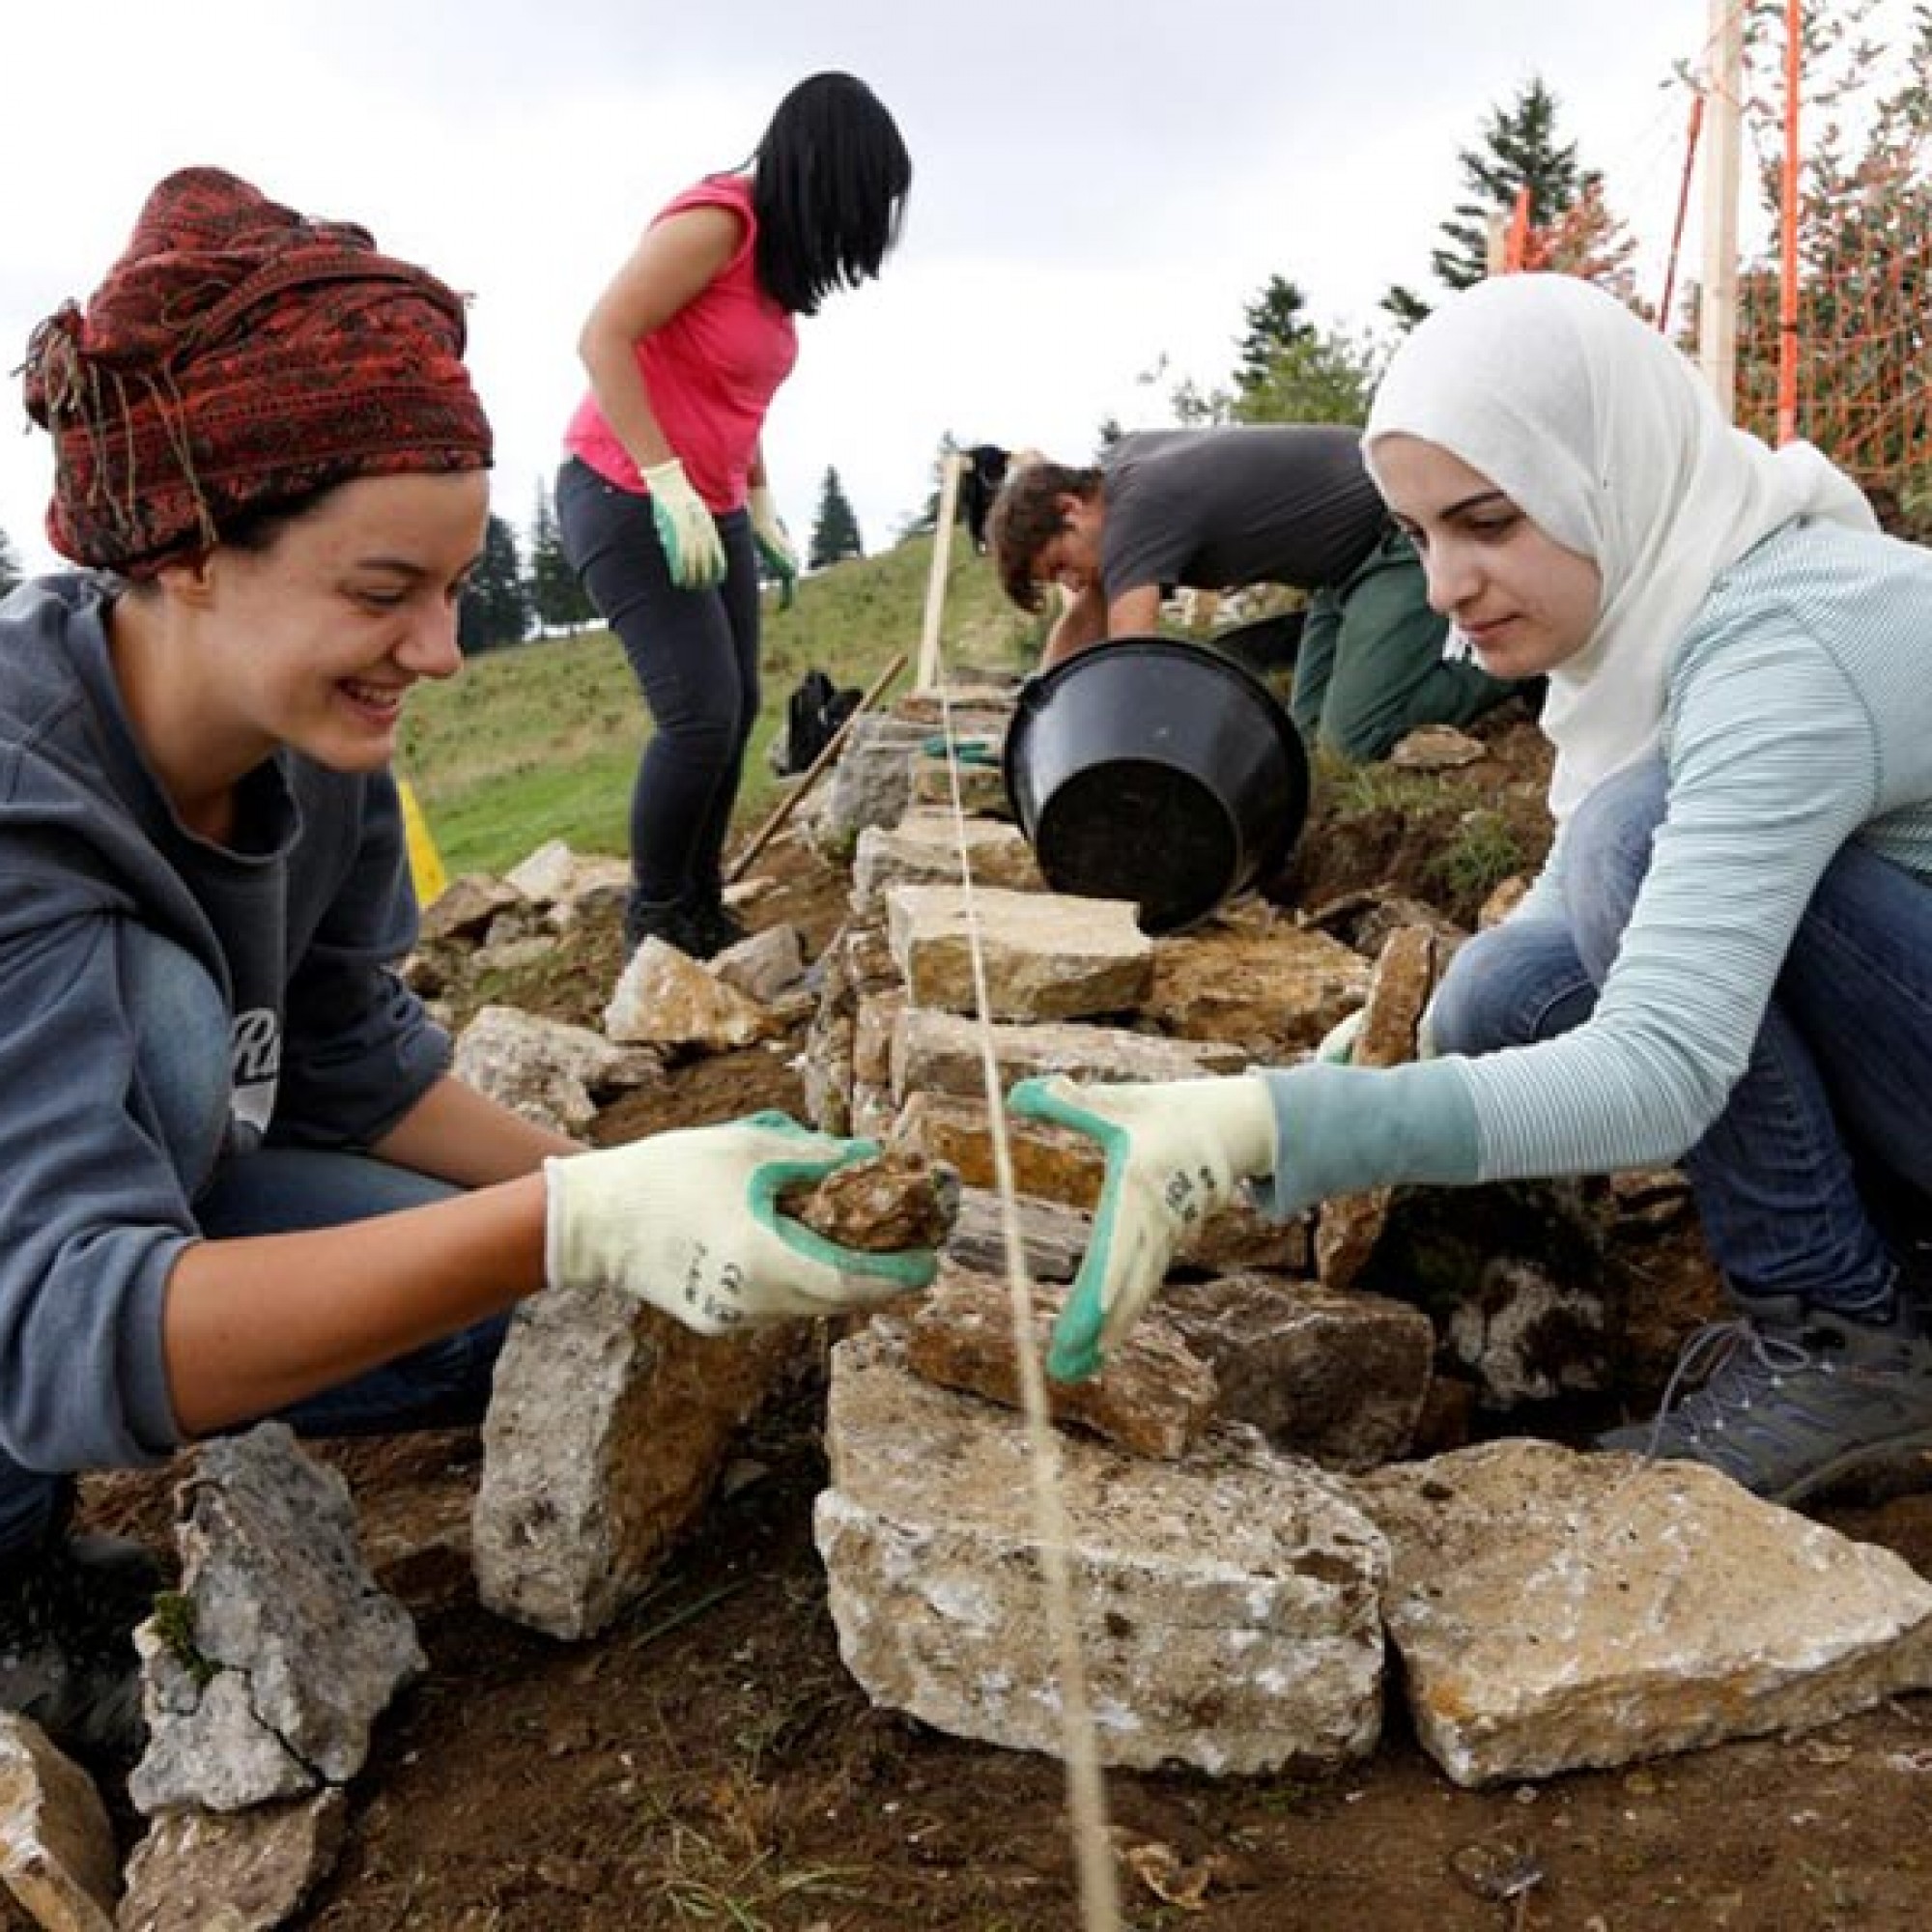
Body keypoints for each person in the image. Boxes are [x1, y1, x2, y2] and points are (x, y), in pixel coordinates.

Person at [2, 167, 934, 1770]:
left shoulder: (318, 732)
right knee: (161, 1032)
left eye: (450, 588)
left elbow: (348, 1044)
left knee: (536, 1316)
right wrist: (573, 1214)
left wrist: (629, 1192)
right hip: (32, 1282)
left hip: (132, 1202)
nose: (438, 650)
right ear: (187, 550)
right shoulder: (24, 802)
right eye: (383, 592)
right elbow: (57, 1321)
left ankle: (206, 1287)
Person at [1009, 271, 1932, 1510]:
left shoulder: (1786, 647)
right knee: (1505, 980)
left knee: (1630, 842)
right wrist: (1377, 1049)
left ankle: (1843, 1341)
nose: (1442, 585)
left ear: (1599, 472)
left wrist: (1271, 1125)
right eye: (1417, 534)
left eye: (1487, 520)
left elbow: (1659, 1068)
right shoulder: (1680, 588)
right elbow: (1554, 910)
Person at [557, 72, 912, 958]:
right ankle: (654, 917)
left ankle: (698, 904)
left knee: (741, 703)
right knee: (699, 715)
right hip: (623, 493)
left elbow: (731, 393)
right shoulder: (717, 221)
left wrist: (756, 496)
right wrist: (664, 479)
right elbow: (603, 335)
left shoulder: (774, 263)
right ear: (826, 173)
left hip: (707, 505)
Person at [985, 425, 1527, 762]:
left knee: (1355, 738)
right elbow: (1084, 619)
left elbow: (1135, 665)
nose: (1073, 584)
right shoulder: (1125, 481)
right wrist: (1041, 720)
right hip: (1338, 575)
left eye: (1061, 566)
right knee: (1308, 740)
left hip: (1394, 537)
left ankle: (1514, 666)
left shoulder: (1137, 512)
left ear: (1069, 508)